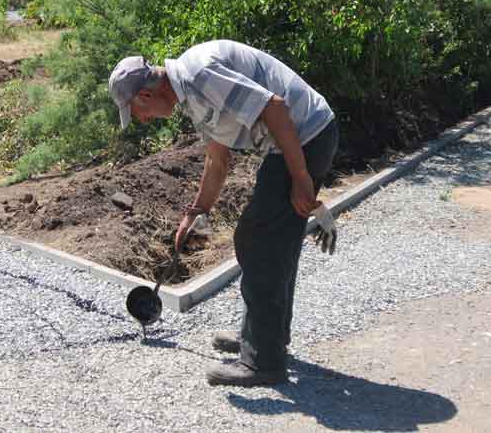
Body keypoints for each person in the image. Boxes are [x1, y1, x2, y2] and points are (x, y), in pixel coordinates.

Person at [108, 39, 339, 387]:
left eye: (137, 114)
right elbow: (218, 160)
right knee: (268, 241)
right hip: (295, 141)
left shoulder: (200, 74)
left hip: (305, 138)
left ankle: (263, 361)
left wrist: (301, 176)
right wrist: (195, 211)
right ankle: (262, 337)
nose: (143, 120)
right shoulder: (191, 95)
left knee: (259, 241)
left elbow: (274, 108)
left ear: (144, 95)